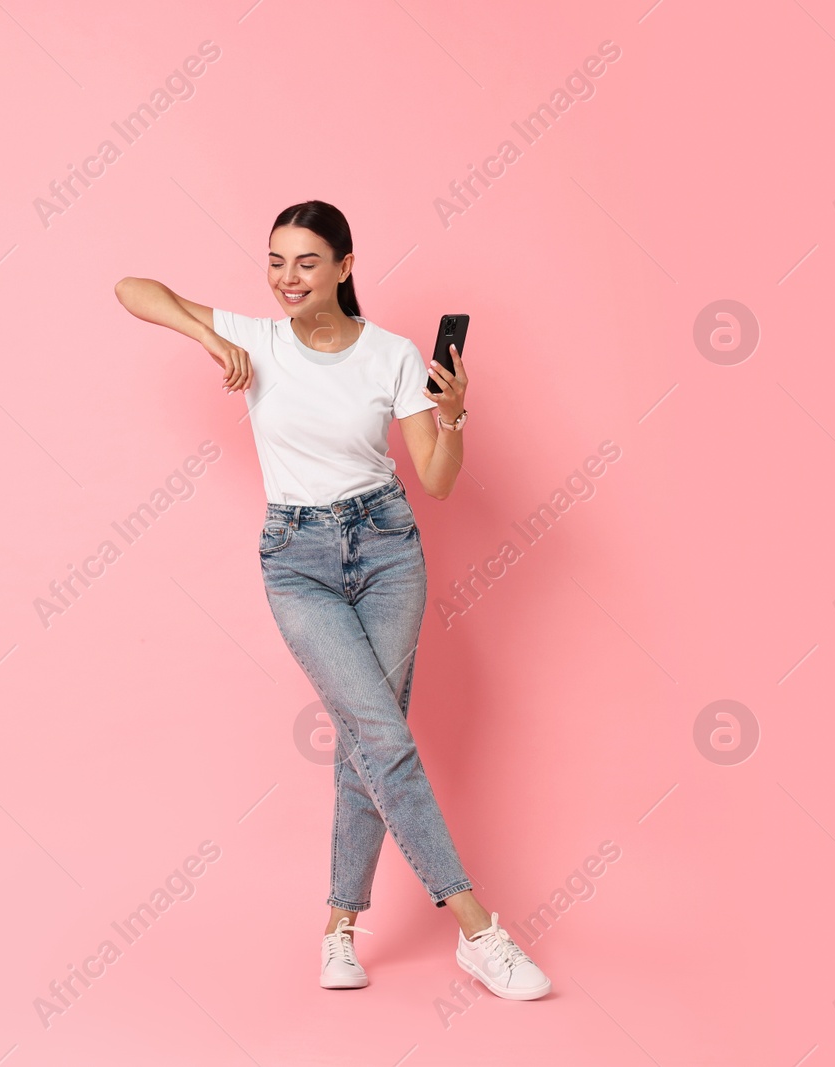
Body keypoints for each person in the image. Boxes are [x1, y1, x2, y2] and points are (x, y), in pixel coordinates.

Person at [114, 200, 550, 999]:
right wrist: (212, 336)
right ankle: (481, 932)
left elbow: (440, 481)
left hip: (388, 552)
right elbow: (131, 287)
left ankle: (338, 928)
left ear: (346, 267)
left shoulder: (391, 354)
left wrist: (452, 417)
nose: (286, 277)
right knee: (382, 738)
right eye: (276, 260)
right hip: (297, 560)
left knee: (367, 745)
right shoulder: (258, 336)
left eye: (306, 261)